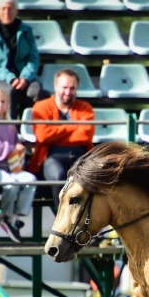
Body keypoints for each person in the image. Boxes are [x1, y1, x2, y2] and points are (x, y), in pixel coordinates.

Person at [30, 68, 95, 212]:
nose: (68, 92)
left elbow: (85, 135)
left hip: (81, 156)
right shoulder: (41, 107)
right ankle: (62, 221)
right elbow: (43, 135)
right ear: (55, 87)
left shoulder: (85, 108)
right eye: (64, 87)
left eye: (72, 88)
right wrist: (73, 127)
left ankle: (83, 221)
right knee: (59, 177)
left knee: (87, 178)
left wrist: (56, 132)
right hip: (51, 157)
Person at [0, 86, 37, 244]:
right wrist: (12, 148)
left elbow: (16, 145)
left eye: (3, 102)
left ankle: (15, 217)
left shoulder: (10, 125)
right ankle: (5, 215)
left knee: (30, 180)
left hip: (10, 168)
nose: (0, 105)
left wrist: (19, 147)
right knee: (10, 184)